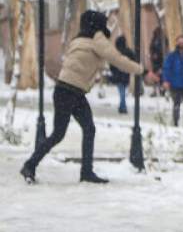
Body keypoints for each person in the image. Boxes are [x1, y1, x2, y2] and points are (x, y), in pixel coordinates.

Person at [19, 10, 142, 184]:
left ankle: (85, 172)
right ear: (97, 24)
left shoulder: (79, 39)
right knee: (61, 134)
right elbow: (117, 59)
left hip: (66, 90)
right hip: (71, 91)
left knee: (83, 130)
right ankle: (31, 165)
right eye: (104, 23)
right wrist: (140, 70)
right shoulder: (97, 38)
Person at [110, 36, 136, 114]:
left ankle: (122, 106)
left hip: (118, 75)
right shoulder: (128, 52)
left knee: (121, 91)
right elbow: (133, 60)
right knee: (122, 91)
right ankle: (122, 106)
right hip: (125, 74)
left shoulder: (116, 52)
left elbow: (112, 64)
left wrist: (114, 71)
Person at [149, 27, 166, 97]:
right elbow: (151, 48)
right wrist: (153, 54)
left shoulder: (163, 40)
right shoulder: (154, 40)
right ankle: (156, 91)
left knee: (161, 76)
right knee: (155, 76)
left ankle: (161, 90)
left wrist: (157, 54)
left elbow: (164, 50)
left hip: (161, 61)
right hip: (155, 62)